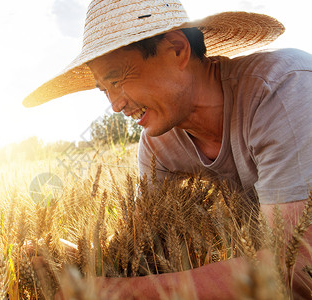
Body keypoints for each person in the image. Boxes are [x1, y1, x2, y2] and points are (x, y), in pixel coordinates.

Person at [23, 0, 312, 298]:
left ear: (177, 49)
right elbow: (142, 242)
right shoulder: (158, 143)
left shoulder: (284, 89)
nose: (115, 105)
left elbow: (296, 266)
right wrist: (79, 258)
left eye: (116, 79)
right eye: (104, 90)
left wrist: (115, 292)